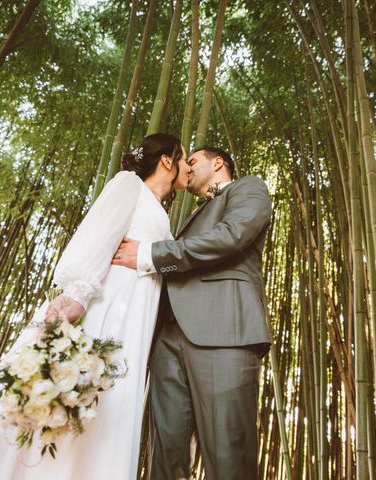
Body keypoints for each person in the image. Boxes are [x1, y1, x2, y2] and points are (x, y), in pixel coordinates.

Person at [0, 133, 190, 480]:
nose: (189, 168)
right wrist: (76, 293)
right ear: (167, 160)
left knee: (111, 406)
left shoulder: (161, 211)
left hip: (139, 314)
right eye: (185, 158)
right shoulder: (129, 185)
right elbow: (97, 235)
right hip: (110, 306)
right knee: (78, 392)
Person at [113, 146, 272, 479]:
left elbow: (231, 236)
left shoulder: (249, 188)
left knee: (228, 451)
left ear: (217, 163)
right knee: (165, 452)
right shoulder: (191, 215)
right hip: (168, 337)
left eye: (193, 161)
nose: (185, 168)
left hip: (224, 329)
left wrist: (150, 254)